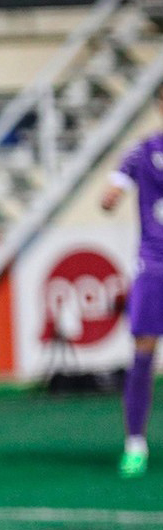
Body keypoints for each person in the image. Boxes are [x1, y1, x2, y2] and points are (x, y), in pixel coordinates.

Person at [101, 86, 163, 478]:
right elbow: (112, 189)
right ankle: (135, 443)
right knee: (143, 351)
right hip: (154, 263)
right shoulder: (143, 150)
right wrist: (110, 197)